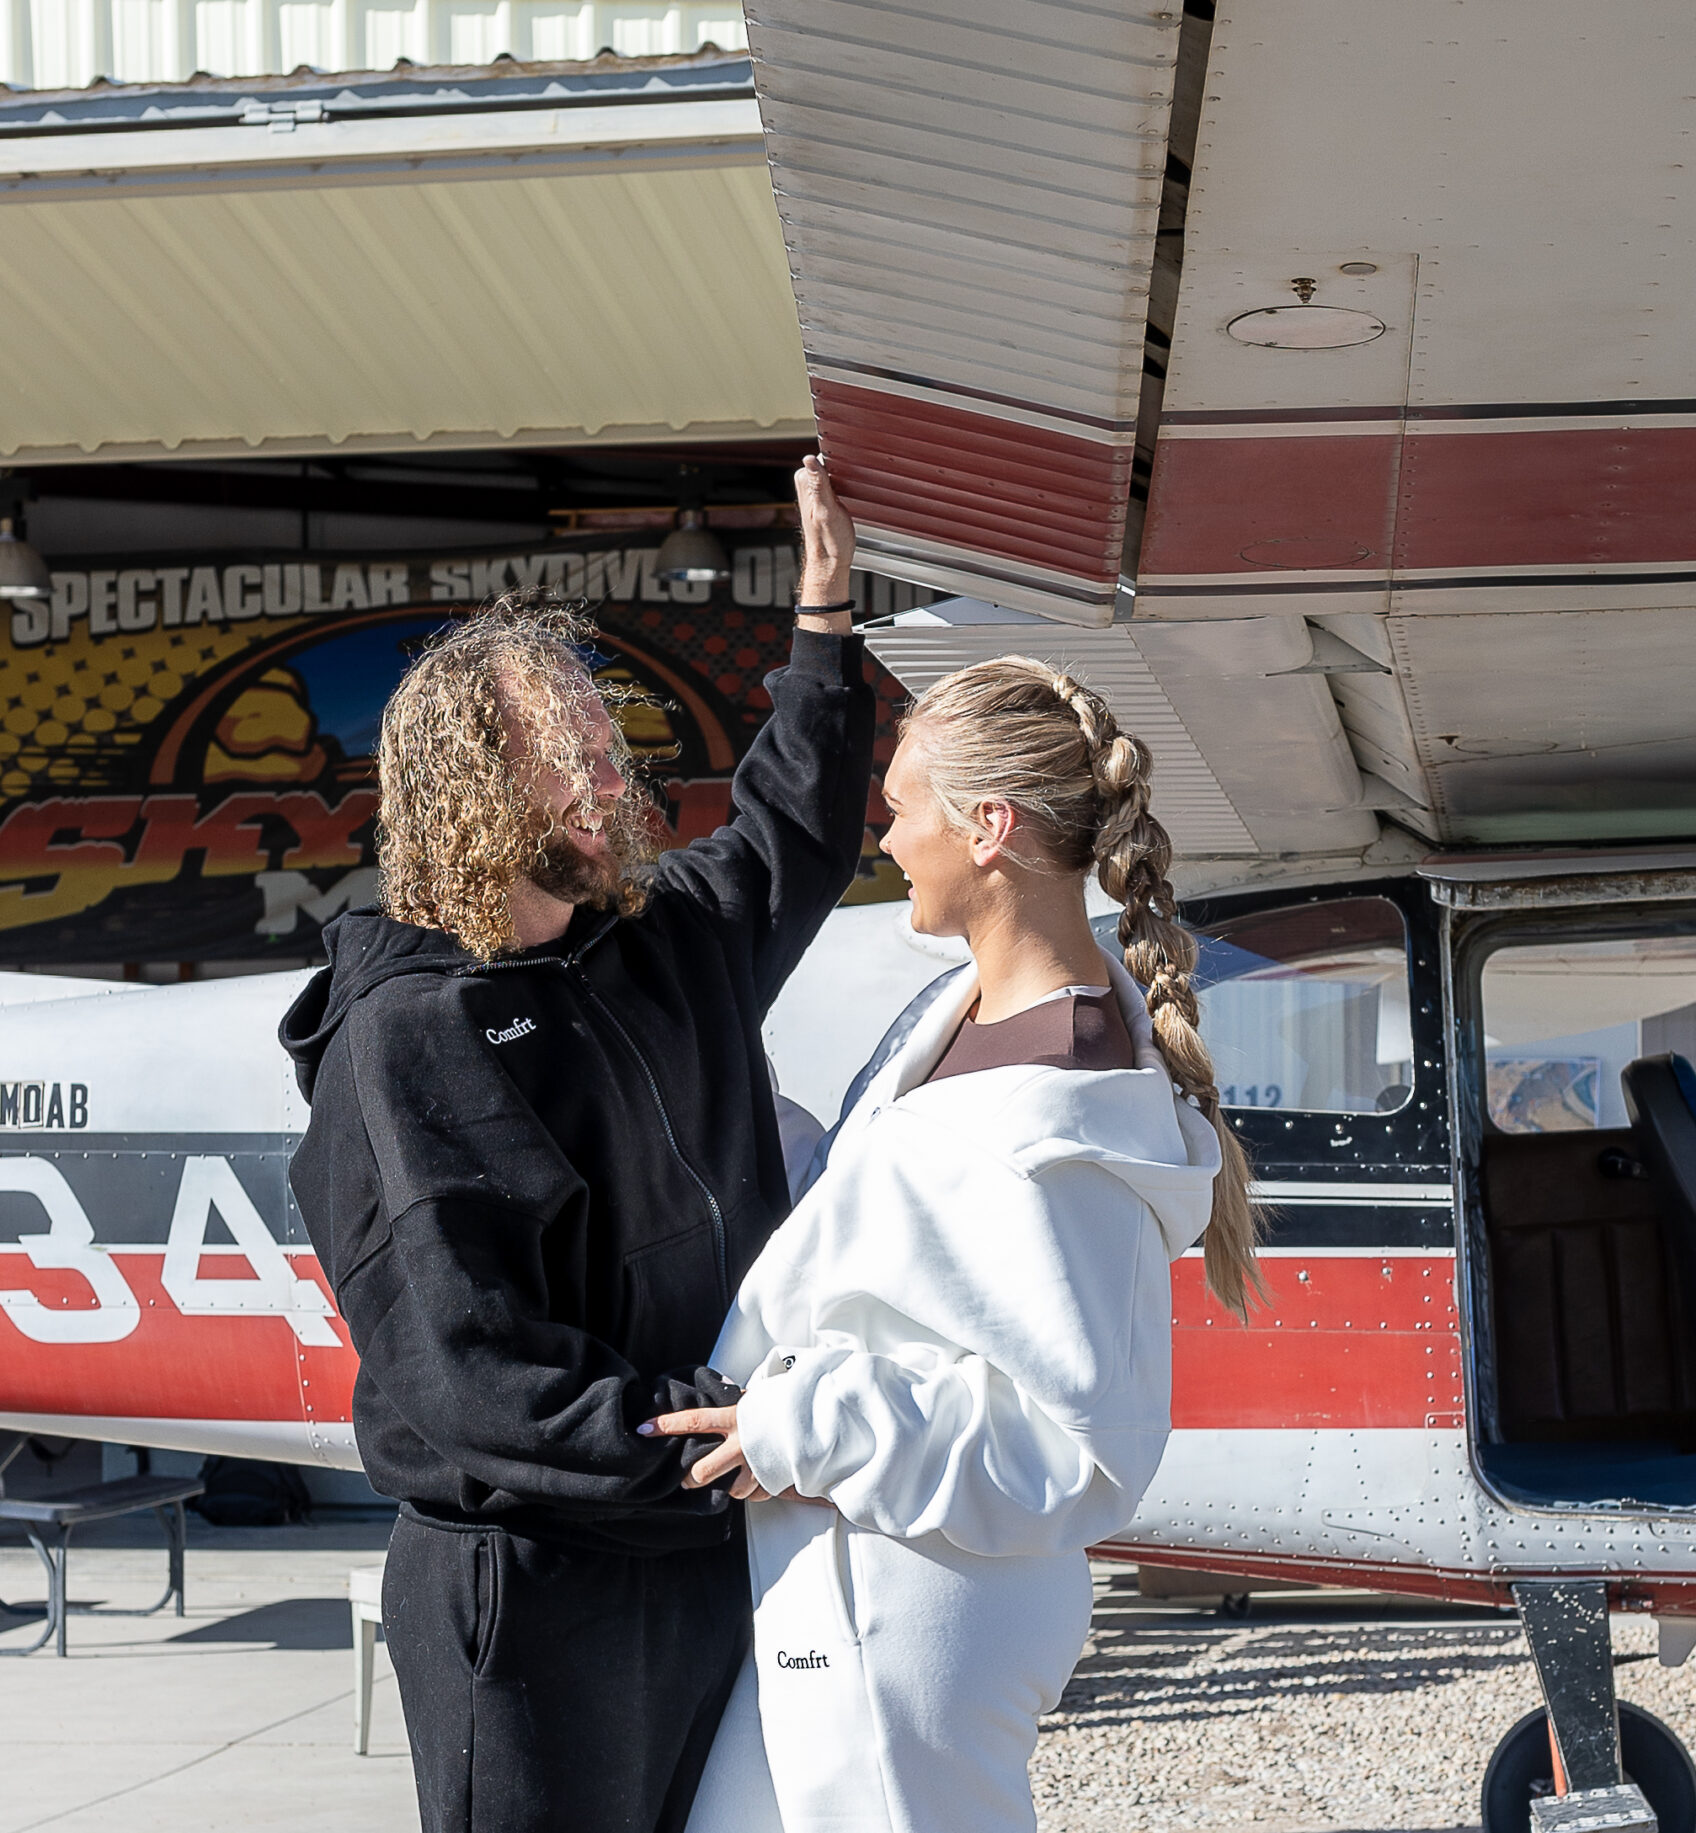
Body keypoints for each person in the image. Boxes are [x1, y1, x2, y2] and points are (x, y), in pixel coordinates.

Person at [279, 458, 871, 1833]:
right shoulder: (409, 1033)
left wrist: (827, 628)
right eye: (576, 745)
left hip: (688, 1536)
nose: (616, 761)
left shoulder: (659, 943)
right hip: (540, 1588)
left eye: (605, 731)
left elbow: (791, 835)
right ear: (480, 784)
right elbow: (473, 1374)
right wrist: (701, 1442)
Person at [649, 658, 1261, 1833]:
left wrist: (801, 1422)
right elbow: (878, 1239)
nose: (885, 835)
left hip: (913, 1609)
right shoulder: (962, 1020)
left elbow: (1081, 1448)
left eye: (900, 804)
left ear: (989, 827)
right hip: (853, 1576)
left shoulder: (1058, 1097)